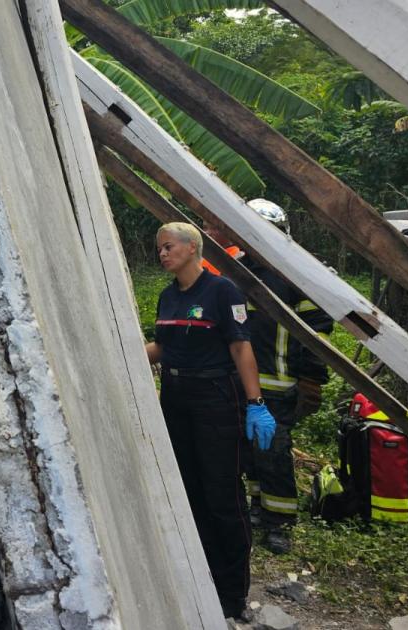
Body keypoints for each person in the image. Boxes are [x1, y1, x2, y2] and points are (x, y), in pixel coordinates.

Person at [144, 222, 276, 620]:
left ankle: (232, 593)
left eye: (168, 247)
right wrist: (117, 350)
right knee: (190, 493)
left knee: (222, 496)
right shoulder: (168, 297)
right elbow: (163, 347)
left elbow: (241, 347)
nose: (163, 254)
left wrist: (256, 402)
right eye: (159, 249)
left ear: (191, 247)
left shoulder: (222, 291)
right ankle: (200, 580)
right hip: (177, 399)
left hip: (216, 400)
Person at [203, 200, 333, 554]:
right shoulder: (235, 271)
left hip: (279, 382)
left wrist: (311, 377)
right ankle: (260, 510)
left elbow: (318, 333)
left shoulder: (295, 276)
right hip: (238, 381)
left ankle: (280, 524)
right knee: (248, 452)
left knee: (274, 453)